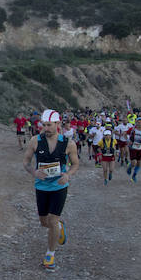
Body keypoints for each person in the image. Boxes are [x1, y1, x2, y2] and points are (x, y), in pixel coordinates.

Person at [23, 109, 79, 271]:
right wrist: (34, 172)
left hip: (59, 186)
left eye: (49, 125)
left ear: (58, 124)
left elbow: (75, 164)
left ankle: (50, 254)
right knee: (44, 222)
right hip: (41, 187)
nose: (46, 128)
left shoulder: (68, 143)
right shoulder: (35, 141)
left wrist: (68, 175)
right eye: (44, 125)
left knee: (52, 220)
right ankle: (59, 227)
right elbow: (26, 162)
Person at [93, 121, 116, 185]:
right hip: (104, 155)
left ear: (110, 135)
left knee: (111, 169)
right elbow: (98, 148)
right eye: (106, 135)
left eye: (108, 135)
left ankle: (110, 173)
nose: (107, 137)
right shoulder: (101, 141)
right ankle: (105, 179)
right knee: (105, 169)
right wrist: (100, 154)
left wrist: (116, 152)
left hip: (111, 155)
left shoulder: (113, 140)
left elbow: (115, 146)